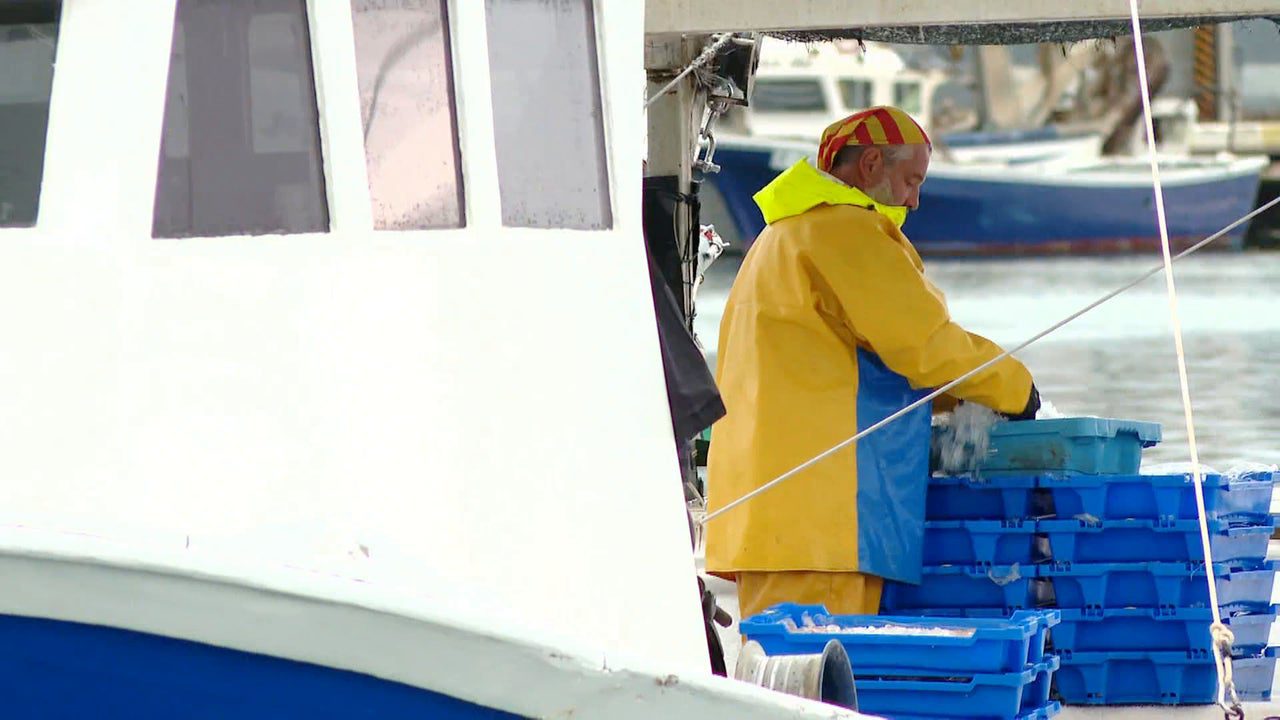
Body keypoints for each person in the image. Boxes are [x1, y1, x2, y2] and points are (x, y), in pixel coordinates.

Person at [704, 106, 1039, 621]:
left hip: (772, 510)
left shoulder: (780, 238)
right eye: (910, 180)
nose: (915, 199)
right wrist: (1014, 388)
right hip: (826, 518)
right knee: (822, 686)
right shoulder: (845, 232)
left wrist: (958, 394)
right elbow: (922, 346)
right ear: (871, 165)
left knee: (774, 678)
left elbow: (862, 356)